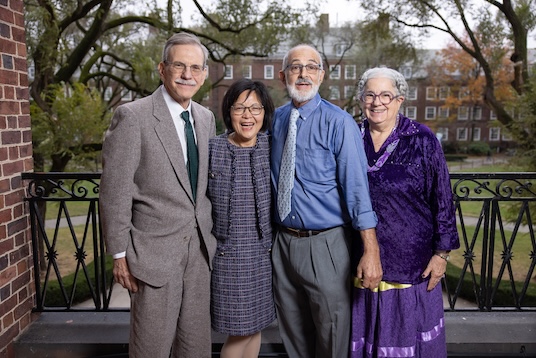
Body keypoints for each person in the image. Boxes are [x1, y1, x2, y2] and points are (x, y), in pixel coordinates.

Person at [99, 32, 217, 358]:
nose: (187, 74)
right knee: (151, 349)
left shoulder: (206, 119)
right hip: (153, 256)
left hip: (199, 255)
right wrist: (119, 255)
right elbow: (115, 190)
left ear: (204, 74)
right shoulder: (133, 116)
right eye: (179, 65)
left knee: (195, 348)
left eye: (195, 67)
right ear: (162, 69)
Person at [270, 44, 383, 358]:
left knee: (332, 336)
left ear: (321, 74)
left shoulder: (339, 122)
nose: (303, 73)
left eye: (311, 66)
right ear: (283, 75)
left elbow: (358, 189)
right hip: (282, 245)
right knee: (293, 336)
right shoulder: (274, 121)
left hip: (326, 246)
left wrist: (370, 250)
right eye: (295, 66)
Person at [351, 67, 460, 358]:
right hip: (359, 261)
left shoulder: (422, 139)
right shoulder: (350, 136)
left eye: (386, 95)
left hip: (411, 264)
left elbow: (443, 198)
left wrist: (441, 255)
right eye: (370, 95)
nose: (377, 102)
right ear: (361, 99)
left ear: (400, 100)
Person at [208, 78, 276, 358]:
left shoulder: (272, 146)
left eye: (255, 108)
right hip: (227, 255)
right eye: (240, 108)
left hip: (262, 255)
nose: (247, 116)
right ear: (229, 112)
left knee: (256, 326)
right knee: (239, 330)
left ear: (264, 113)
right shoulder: (212, 149)